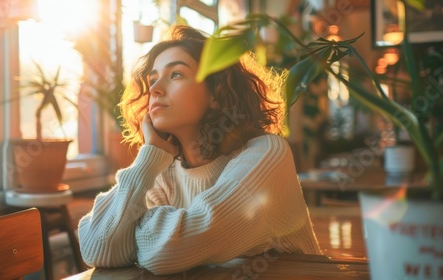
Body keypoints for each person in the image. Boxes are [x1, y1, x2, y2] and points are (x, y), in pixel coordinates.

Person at [78, 24, 322, 275]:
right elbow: (96, 247)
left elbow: (164, 252)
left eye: (175, 75)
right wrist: (148, 159)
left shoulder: (267, 153)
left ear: (215, 93)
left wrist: (133, 233)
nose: (154, 89)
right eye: (152, 79)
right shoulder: (162, 170)